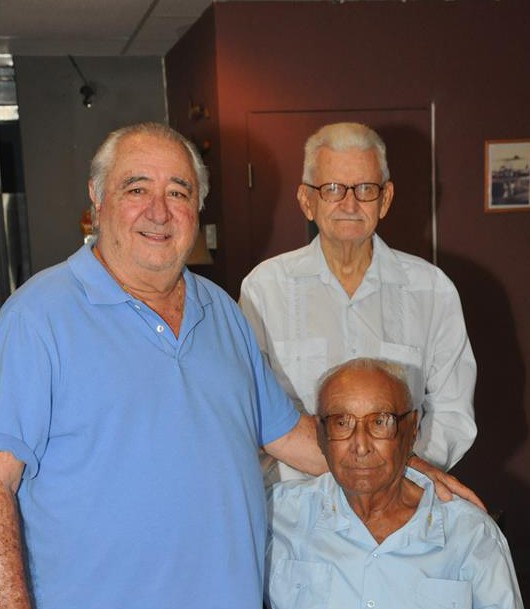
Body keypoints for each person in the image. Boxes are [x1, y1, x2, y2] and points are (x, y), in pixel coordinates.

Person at [0, 122, 327, 609]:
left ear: (197, 208)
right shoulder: (36, 318)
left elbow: (287, 435)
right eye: (137, 189)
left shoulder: (221, 311)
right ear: (97, 198)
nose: (159, 212)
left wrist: (406, 466)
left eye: (178, 192)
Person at [240, 122, 477, 482]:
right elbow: (250, 408)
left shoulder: (432, 290)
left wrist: (403, 479)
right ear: (307, 201)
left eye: (365, 188)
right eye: (332, 188)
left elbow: (452, 411)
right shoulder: (263, 290)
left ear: (385, 199)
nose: (349, 204)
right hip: (296, 503)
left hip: (400, 497)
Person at [265, 358, 523, 609]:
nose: (361, 446)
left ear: (412, 429)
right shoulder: (277, 517)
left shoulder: (469, 534)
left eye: (380, 422)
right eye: (341, 423)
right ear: (320, 435)